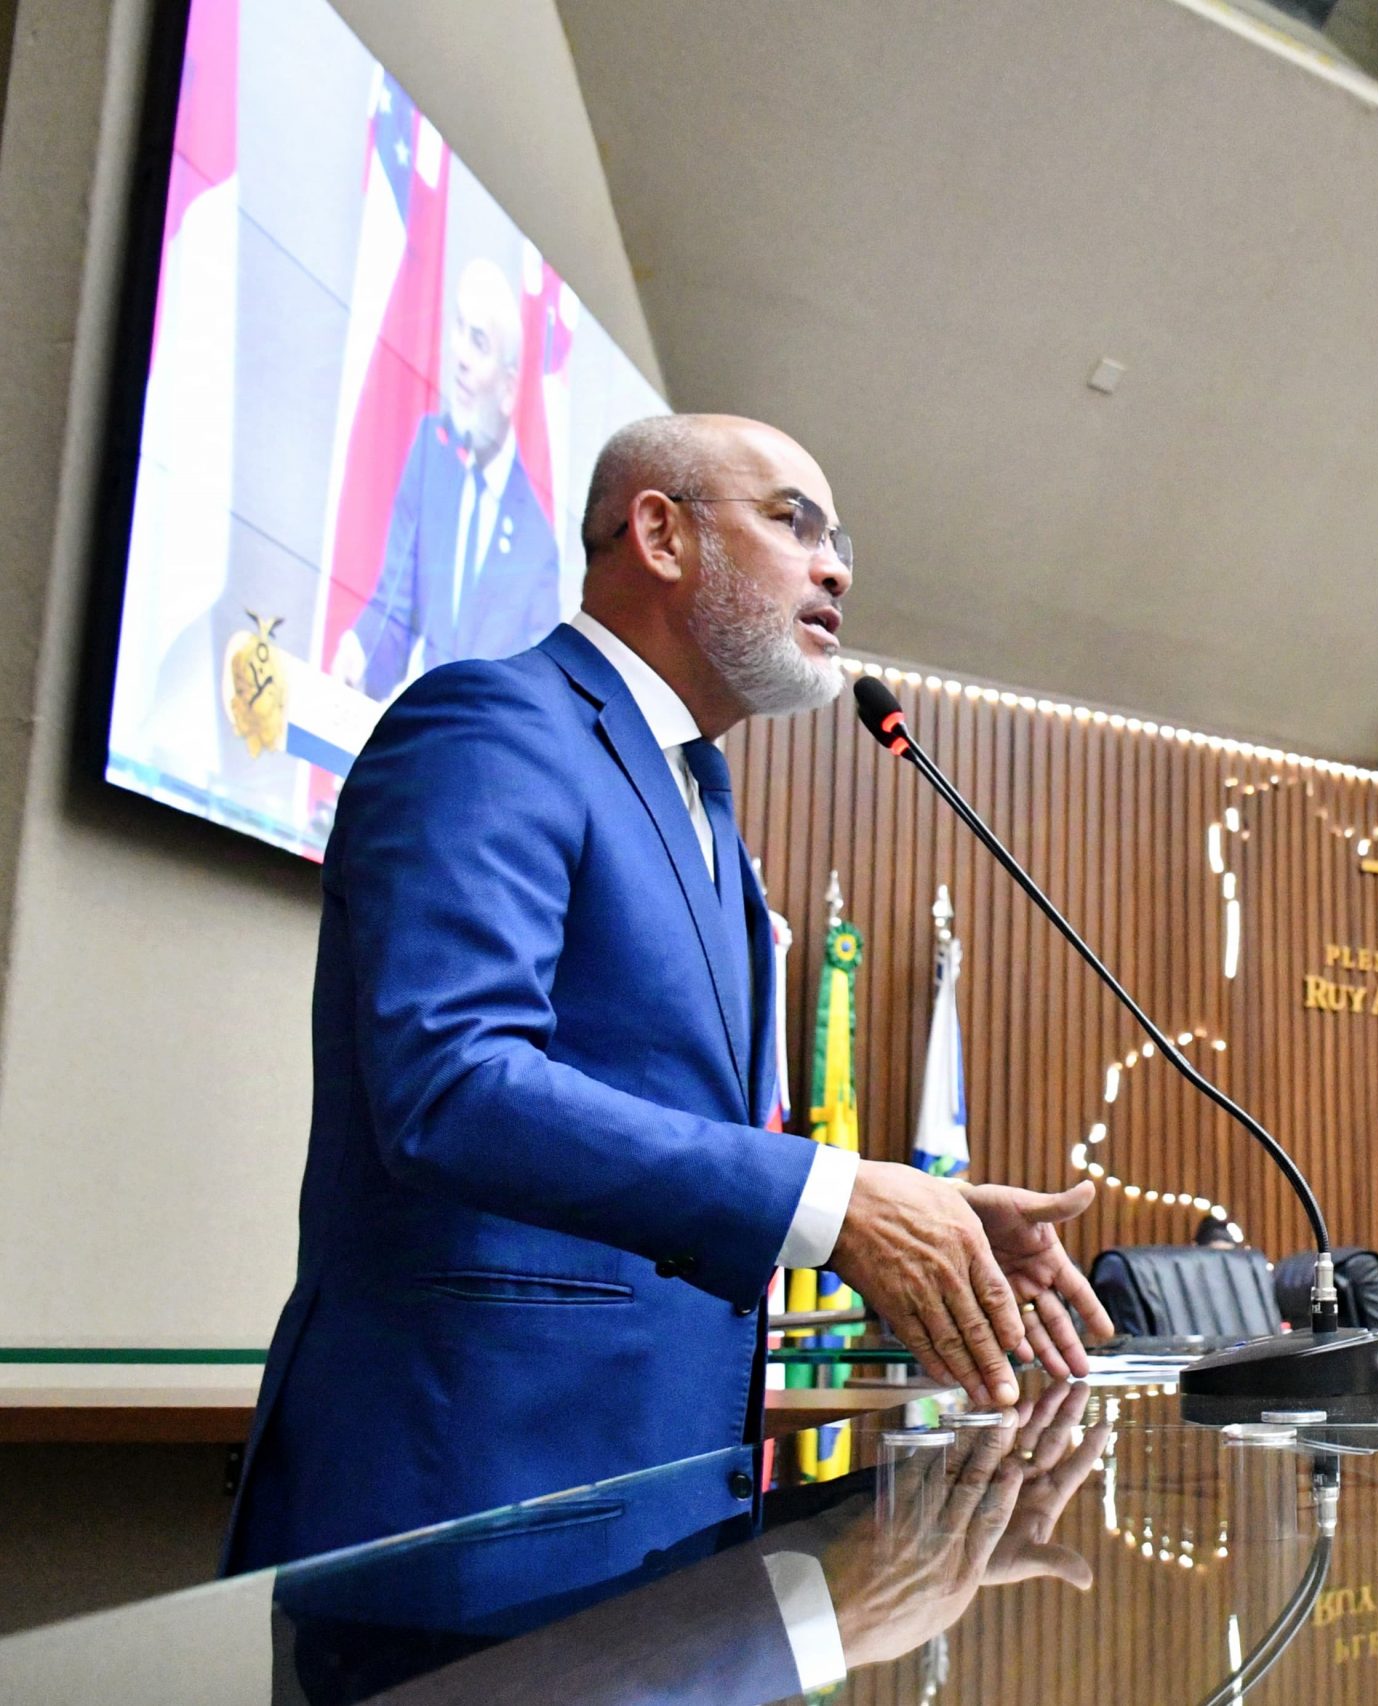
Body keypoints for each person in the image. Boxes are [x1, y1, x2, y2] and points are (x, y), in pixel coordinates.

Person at [227, 413, 1114, 1572]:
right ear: (659, 532)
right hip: (461, 1516)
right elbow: (450, 1082)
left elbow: (684, 1151)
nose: (836, 565)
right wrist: (835, 1202)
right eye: (794, 521)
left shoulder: (707, 814)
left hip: (661, 1524)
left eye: (838, 539)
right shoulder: (492, 725)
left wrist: (900, 1221)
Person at [336, 257, 565, 700]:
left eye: (478, 343)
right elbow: (395, 611)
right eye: (459, 330)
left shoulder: (537, 546)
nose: (458, 355)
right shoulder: (430, 455)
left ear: (507, 390)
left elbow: (533, 700)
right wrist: (359, 652)